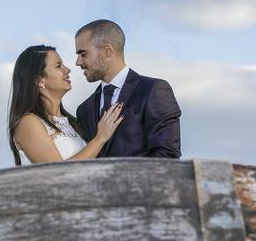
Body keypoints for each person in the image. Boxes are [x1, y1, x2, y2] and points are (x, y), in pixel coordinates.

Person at [74, 19, 181, 158]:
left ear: (108, 51)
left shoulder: (153, 90)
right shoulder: (83, 109)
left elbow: (167, 157)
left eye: (83, 54)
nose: (78, 62)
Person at [8, 44, 124, 165]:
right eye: (58, 66)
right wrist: (100, 138)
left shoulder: (73, 122)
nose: (67, 69)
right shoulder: (28, 122)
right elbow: (57, 171)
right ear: (39, 81)